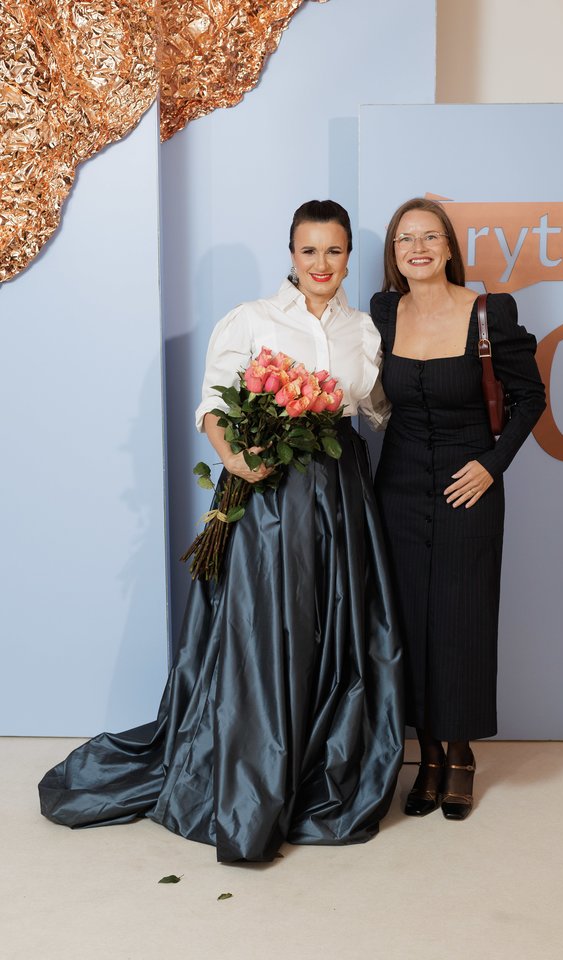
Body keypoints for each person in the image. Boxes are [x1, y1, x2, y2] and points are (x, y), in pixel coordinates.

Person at [39, 200, 404, 862]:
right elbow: (213, 403)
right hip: (271, 494)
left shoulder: (365, 330)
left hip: (343, 491)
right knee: (274, 624)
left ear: (350, 256)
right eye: (309, 250)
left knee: (337, 623)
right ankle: (259, 765)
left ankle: (320, 761)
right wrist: (235, 458)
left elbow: (377, 409)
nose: (321, 263)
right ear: (290, 254)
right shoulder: (252, 319)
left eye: (334, 250)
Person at [371, 197, 546, 820]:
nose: (417, 248)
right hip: (397, 486)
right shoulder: (383, 311)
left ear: (448, 246)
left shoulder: (489, 312)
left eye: (429, 237)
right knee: (410, 620)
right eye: (405, 239)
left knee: (461, 619)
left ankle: (462, 754)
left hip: (468, 485)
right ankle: (427, 757)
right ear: (394, 254)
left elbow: (531, 398)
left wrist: (492, 465)